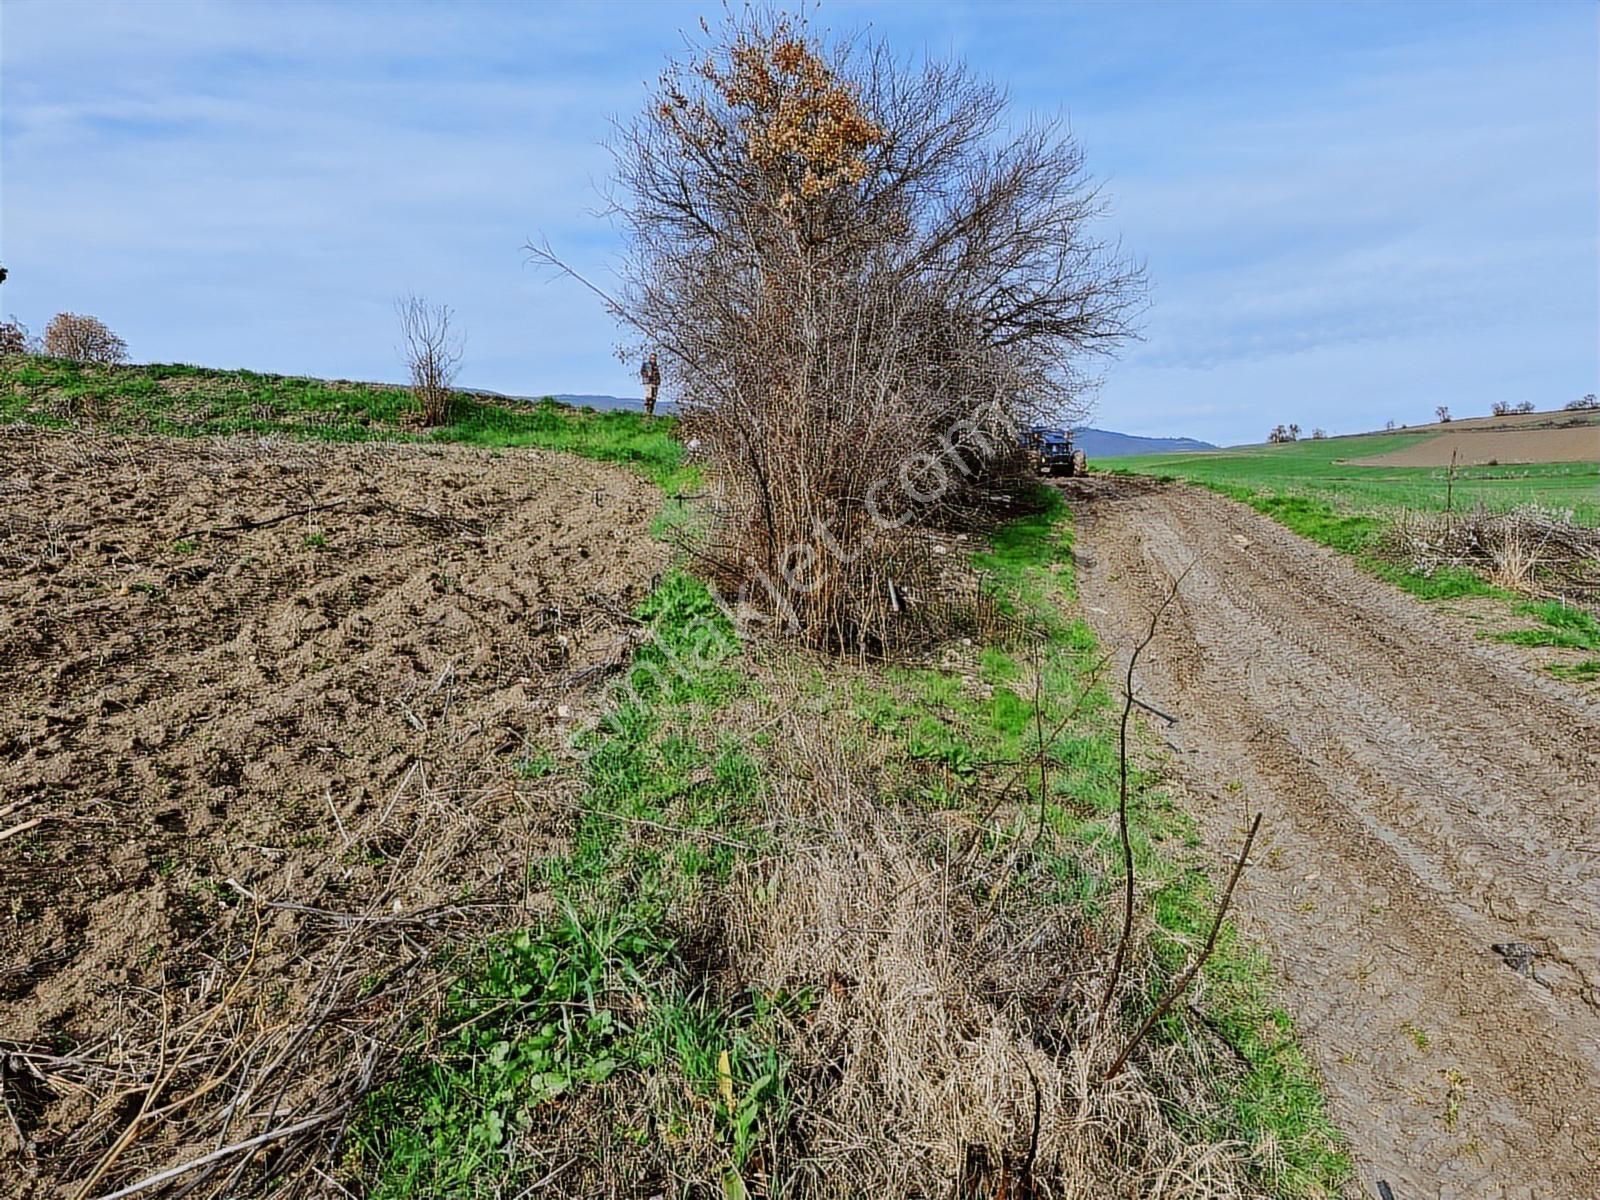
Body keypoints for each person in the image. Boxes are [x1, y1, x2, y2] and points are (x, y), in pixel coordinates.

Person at [640, 352, 661, 418]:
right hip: (648, 382)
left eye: (654, 359)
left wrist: (658, 381)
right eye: (652, 358)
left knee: (653, 398)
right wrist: (647, 375)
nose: (653, 360)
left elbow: (658, 375)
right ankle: (646, 407)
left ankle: (650, 413)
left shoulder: (656, 366)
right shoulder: (646, 365)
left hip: (655, 383)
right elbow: (642, 372)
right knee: (649, 395)